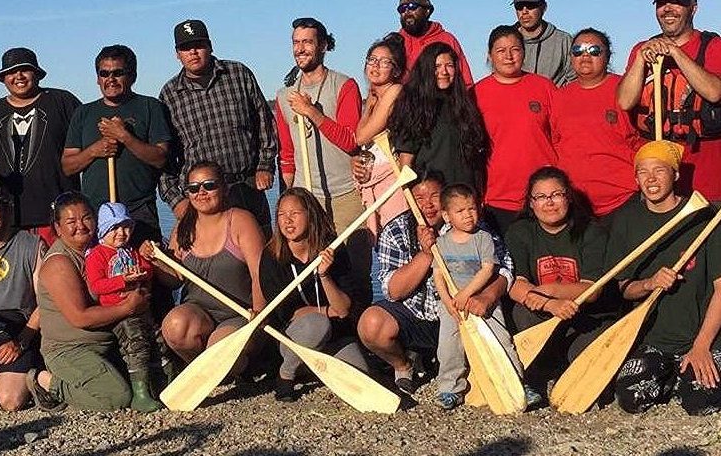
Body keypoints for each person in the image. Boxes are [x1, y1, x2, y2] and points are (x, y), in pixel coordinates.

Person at [357, 170, 514, 394]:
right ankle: (403, 366)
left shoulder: (472, 225)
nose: (427, 205)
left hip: (461, 311)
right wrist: (427, 254)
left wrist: (487, 297)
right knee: (371, 325)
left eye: (434, 196)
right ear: (408, 198)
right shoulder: (396, 230)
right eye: (419, 198)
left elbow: (504, 268)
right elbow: (393, 291)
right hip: (415, 315)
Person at [609, 141, 721, 415]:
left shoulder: (706, 218)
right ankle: (672, 375)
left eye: (660, 170)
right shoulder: (626, 219)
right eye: (643, 172)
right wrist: (649, 283)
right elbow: (623, 288)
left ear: (676, 175)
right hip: (654, 340)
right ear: (635, 178)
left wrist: (702, 346)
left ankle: (687, 373)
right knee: (631, 399)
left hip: (701, 337)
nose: (651, 179)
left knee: (701, 404)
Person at [27, 192, 149, 411]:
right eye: (71, 222)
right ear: (57, 228)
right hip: (70, 348)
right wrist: (128, 307)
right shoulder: (59, 263)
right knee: (116, 398)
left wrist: (147, 254)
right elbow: (80, 317)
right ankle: (45, 382)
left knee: (150, 380)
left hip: (110, 339)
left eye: (86, 218)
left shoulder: (103, 249)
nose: (80, 226)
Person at [505, 167, 617, 399]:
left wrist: (547, 291)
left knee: (591, 360)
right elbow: (515, 285)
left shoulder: (592, 232)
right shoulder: (520, 232)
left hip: (584, 318)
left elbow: (592, 290)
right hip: (542, 316)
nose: (550, 203)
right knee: (522, 312)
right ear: (531, 203)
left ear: (568, 198)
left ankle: (567, 370)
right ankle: (536, 374)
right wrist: (550, 304)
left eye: (557, 194)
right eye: (541, 197)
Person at [159, 19, 277, 232]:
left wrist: (265, 166)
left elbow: (265, 121)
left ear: (210, 46)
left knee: (263, 257)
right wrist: (176, 200)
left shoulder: (238, 74)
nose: (193, 52)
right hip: (200, 197)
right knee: (213, 262)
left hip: (246, 186)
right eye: (185, 48)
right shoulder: (169, 95)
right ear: (177, 54)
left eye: (198, 45)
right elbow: (164, 157)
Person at [617, 0, 721, 202]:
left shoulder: (713, 46)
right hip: (660, 175)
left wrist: (675, 52)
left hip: (707, 174)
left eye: (676, 3)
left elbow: (714, 92)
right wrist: (640, 59)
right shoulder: (642, 48)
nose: (668, 9)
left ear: (693, 8)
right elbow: (625, 102)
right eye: (662, 3)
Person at [149, 161, 265, 365]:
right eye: (193, 188)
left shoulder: (241, 221)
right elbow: (174, 280)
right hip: (199, 313)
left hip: (240, 314)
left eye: (209, 185)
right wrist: (156, 260)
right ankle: (209, 367)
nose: (201, 192)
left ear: (224, 188)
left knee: (218, 347)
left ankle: (239, 364)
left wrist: (258, 316)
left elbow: (260, 274)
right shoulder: (183, 227)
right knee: (175, 326)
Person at [259, 188, 368, 402]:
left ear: (310, 214)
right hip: (295, 336)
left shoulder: (333, 250)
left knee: (360, 374)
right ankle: (287, 373)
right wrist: (326, 311)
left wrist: (325, 276)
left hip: (335, 335)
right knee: (317, 324)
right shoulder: (272, 256)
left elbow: (344, 309)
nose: (287, 221)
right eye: (282, 215)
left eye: (295, 214)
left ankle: (311, 367)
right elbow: (284, 313)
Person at [63, 44, 171, 244]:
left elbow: (160, 158)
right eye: (104, 73)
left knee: (145, 269)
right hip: (96, 212)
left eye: (117, 73)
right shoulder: (83, 113)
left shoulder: (151, 107)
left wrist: (124, 136)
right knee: (100, 272)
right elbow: (68, 166)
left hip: (138, 211)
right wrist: (95, 150)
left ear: (132, 76)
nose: (110, 79)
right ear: (97, 78)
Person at [432, 183, 524, 410]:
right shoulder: (441, 243)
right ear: (446, 215)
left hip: (480, 298)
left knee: (502, 339)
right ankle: (449, 388)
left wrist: (467, 293)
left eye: (472, 209)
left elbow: (487, 269)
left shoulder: (483, 238)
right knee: (448, 346)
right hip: (452, 303)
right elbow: (438, 274)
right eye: (460, 211)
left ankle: (517, 382)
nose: (468, 216)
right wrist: (447, 300)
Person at [275, 18, 362, 232]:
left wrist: (311, 112)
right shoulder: (285, 95)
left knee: (353, 264)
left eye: (307, 42)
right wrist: (290, 193)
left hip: (345, 196)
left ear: (323, 46)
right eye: (296, 43)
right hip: (306, 199)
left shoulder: (344, 86)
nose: (300, 49)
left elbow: (351, 142)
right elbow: (287, 154)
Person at [0, 48, 80, 244]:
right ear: (3, 78)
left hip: (61, 219)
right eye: (12, 72)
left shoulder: (62, 101)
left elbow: (90, 136)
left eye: (25, 70)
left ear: (37, 74)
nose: (19, 76)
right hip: (10, 223)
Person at [473, 25, 557, 235]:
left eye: (515, 49)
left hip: (543, 195)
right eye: (501, 51)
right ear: (490, 55)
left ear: (523, 52)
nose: (509, 56)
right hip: (498, 198)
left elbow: (561, 136)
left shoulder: (544, 87)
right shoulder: (476, 94)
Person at [551, 29, 641, 220]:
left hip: (623, 200)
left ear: (607, 56)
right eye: (578, 50)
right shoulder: (558, 97)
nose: (585, 56)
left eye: (594, 50)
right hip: (576, 205)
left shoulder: (626, 89)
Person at [85, 202, 162, 412]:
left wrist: (145, 269)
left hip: (142, 309)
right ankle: (140, 393)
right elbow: (97, 285)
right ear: (104, 230)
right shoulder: (97, 255)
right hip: (119, 313)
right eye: (114, 228)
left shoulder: (132, 252)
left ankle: (162, 384)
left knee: (157, 341)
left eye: (126, 227)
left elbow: (148, 270)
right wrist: (123, 280)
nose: (121, 233)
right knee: (136, 345)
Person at [389, 42, 490, 194]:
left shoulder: (464, 105)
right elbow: (406, 160)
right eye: (436, 66)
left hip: (463, 195)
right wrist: (409, 195)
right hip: (431, 195)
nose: (444, 71)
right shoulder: (413, 105)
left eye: (449, 65)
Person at [0, 187, 44, 411]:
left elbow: (45, 303)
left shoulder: (31, 245)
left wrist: (22, 341)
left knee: (10, 401)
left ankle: (37, 374)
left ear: (6, 211)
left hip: (18, 325)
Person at [352, 32, 409, 237]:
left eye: (385, 62)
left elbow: (361, 137)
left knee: (395, 242)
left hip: (393, 184)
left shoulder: (395, 91)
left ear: (397, 70)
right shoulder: (376, 96)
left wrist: (369, 105)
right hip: (377, 183)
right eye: (372, 60)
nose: (375, 66)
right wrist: (369, 102)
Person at [396, 0, 473, 84]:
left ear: (427, 11)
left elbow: (465, 80)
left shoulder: (447, 40)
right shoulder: (396, 42)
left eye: (413, 7)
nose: (407, 12)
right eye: (402, 9)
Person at [511, 0, 575, 87]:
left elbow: (575, 81)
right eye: (519, 6)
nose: (525, 11)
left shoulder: (564, 40)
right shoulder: (505, 41)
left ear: (544, 7)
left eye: (531, 5)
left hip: (553, 102)